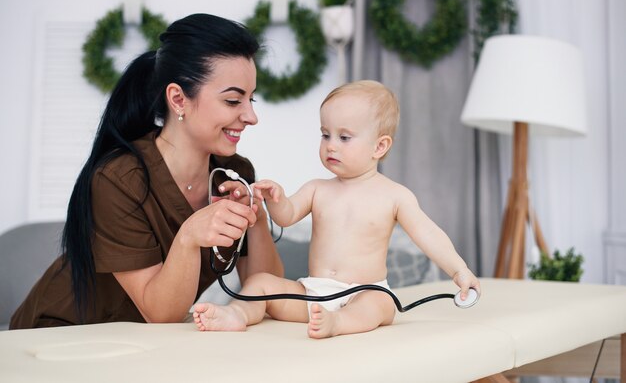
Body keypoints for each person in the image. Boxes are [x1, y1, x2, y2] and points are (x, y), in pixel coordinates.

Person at [10, 13, 283, 329]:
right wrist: (189, 237)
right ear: (178, 99)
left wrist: (257, 218)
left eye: (251, 99)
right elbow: (160, 314)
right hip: (63, 334)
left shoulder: (233, 172)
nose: (251, 116)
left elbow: (269, 292)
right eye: (234, 100)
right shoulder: (118, 180)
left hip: (144, 344)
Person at [193, 80, 481, 339]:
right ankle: (237, 314)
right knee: (260, 283)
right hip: (312, 293)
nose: (331, 146)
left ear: (379, 146)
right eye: (325, 134)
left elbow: (428, 234)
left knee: (380, 304)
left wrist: (459, 271)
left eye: (344, 138)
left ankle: (339, 323)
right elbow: (287, 216)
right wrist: (276, 199)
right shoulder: (318, 188)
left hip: (364, 291)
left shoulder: (394, 195)